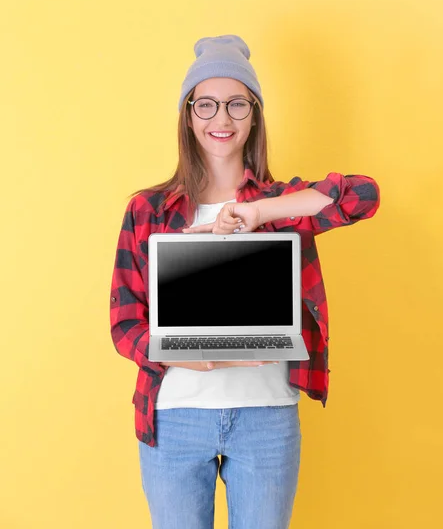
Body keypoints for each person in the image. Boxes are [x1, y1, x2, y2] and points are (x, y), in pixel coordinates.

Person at [109, 34, 380, 529]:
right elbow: (125, 323)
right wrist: (187, 351)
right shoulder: (147, 210)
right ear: (188, 115)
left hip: (265, 415)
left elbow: (363, 195)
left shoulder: (281, 204)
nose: (222, 119)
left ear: (254, 114)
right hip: (174, 417)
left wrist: (257, 212)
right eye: (206, 104)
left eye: (237, 103)